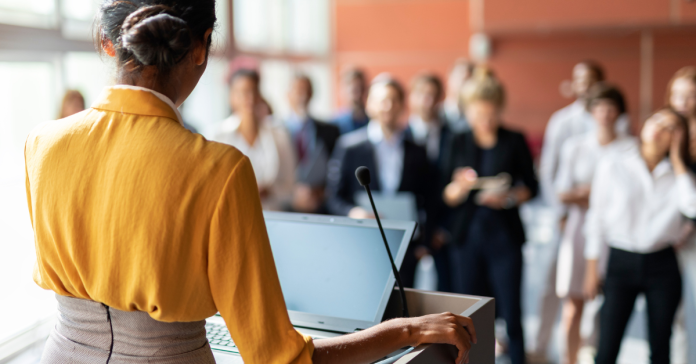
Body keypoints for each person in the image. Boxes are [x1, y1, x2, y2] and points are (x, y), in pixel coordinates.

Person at [23, 1, 478, 363]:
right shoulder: (218, 169)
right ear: (201, 49)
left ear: (110, 44)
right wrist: (406, 329)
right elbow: (279, 358)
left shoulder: (41, 143)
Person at [532, 60, 629, 361]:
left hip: (614, 225)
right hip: (572, 221)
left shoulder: (625, 136)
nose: (585, 86)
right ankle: (548, 349)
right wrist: (562, 211)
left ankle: (596, 351)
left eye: (592, 80)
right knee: (560, 290)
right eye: (580, 80)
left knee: (606, 296)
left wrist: (594, 195)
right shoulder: (564, 125)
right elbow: (551, 174)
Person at [583, 107, 694, 364]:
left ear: (678, 139)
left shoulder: (681, 175)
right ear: (644, 125)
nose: (659, 128)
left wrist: (678, 162)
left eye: (670, 128)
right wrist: (591, 267)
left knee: (660, 347)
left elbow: (692, 207)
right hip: (621, 261)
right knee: (607, 346)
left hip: (662, 264)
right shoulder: (614, 162)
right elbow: (596, 217)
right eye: (657, 120)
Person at [442, 68, 538, 364]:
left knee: (511, 309)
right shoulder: (457, 139)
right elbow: (445, 195)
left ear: (500, 110)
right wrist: (461, 186)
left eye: (491, 114)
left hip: (504, 235)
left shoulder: (514, 139)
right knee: (468, 312)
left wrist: (508, 197)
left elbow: (532, 187)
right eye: (478, 114)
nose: (485, 121)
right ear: (467, 111)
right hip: (467, 235)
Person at [326, 75, 435, 288]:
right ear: (369, 104)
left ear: (402, 105)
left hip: (405, 245)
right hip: (364, 243)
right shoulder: (349, 147)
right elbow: (333, 196)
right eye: (382, 100)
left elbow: (429, 198)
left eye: (394, 100)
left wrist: (424, 242)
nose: (388, 106)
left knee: (405, 308)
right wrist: (353, 212)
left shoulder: (417, 150)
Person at [553, 83, 633, 364]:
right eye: (599, 108)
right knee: (573, 303)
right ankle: (569, 358)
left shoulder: (630, 147)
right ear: (591, 111)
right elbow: (561, 191)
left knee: (608, 303)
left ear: (619, 112)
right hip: (579, 228)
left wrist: (593, 194)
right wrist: (592, 194)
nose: (604, 114)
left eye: (610, 108)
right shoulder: (575, 146)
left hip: (616, 230)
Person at [210, 69, 295, 211]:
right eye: (242, 92)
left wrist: (270, 192)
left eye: (253, 91)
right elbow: (212, 186)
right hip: (232, 215)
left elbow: (290, 185)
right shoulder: (217, 136)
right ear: (231, 97)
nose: (249, 98)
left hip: (271, 216)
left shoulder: (279, 135)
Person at [405, 72, 453, 292]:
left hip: (445, 228)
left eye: (434, 95)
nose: (428, 101)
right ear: (412, 97)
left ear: (442, 98)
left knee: (449, 291)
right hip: (411, 229)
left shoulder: (455, 136)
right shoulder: (400, 136)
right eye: (423, 95)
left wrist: (441, 228)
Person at [665, 66, 696, 363]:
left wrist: (688, 228)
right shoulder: (665, 130)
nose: (682, 102)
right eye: (678, 95)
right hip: (667, 232)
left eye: (690, 96)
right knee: (674, 311)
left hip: (690, 234)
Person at [284, 74, 341, 214]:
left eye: (307, 91)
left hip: (320, 206)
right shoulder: (276, 130)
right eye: (298, 90)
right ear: (288, 95)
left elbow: (337, 169)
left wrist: (321, 192)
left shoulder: (330, 131)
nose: (302, 96)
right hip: (287, 208)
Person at [332, 67, 370, 134]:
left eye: (362, 89)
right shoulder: (334, 124)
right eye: (354, 91)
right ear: (343, 91)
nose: (358, 95)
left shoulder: (372, 120)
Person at [440, 58, 473, 133]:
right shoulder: (435, 113)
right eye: (459, 76)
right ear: (449, 78)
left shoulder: (475, 118)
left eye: (467, 79)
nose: (462, 82)